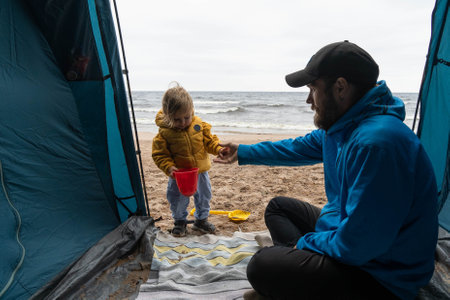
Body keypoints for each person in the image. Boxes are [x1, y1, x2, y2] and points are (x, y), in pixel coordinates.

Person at [214, 41, 438, 299]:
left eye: (313, 89)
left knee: (261, 266)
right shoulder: (344, 127)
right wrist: (242, 152)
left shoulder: (376, 145)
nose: (309, 100)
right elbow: (297, 148)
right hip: (350, 235)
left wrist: (305, 243)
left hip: (382, 275)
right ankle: (299, 274)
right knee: (279, 207)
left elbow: (358, 246)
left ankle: (295, 276)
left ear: (340, 87)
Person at [152, 83, 225, 237]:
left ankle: (201, 220)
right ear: (167, 116)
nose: (184, 122)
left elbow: (210, 142)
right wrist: (169, 167)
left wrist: (219, 149)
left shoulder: (199, 126)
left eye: (187, 117)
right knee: (177, 199)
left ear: (192, 110)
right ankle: (179, 222)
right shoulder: (164, 133)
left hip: (200, 172)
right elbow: (160, 155)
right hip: (179, 175)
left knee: (204, 196)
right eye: (177, 120)